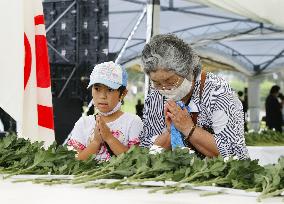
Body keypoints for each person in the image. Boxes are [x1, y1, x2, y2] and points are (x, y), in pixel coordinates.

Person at [139, 34, 249, 159]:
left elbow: (234, 154)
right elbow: (147, 152)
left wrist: (188, 128)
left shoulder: (218, 93)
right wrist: (172, 132)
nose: (165, 88)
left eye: (170, 81)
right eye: (157, 83)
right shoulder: (154, 98)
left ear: (188, 71)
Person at [65, 61, 143, 161]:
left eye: (110, 90)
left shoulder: (133, 122)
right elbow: (74, 161)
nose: (102, 96)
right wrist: (95, 142)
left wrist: (109, 138)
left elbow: (136, 161)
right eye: (97, 89)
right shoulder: (83, 123)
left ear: (123, 93)